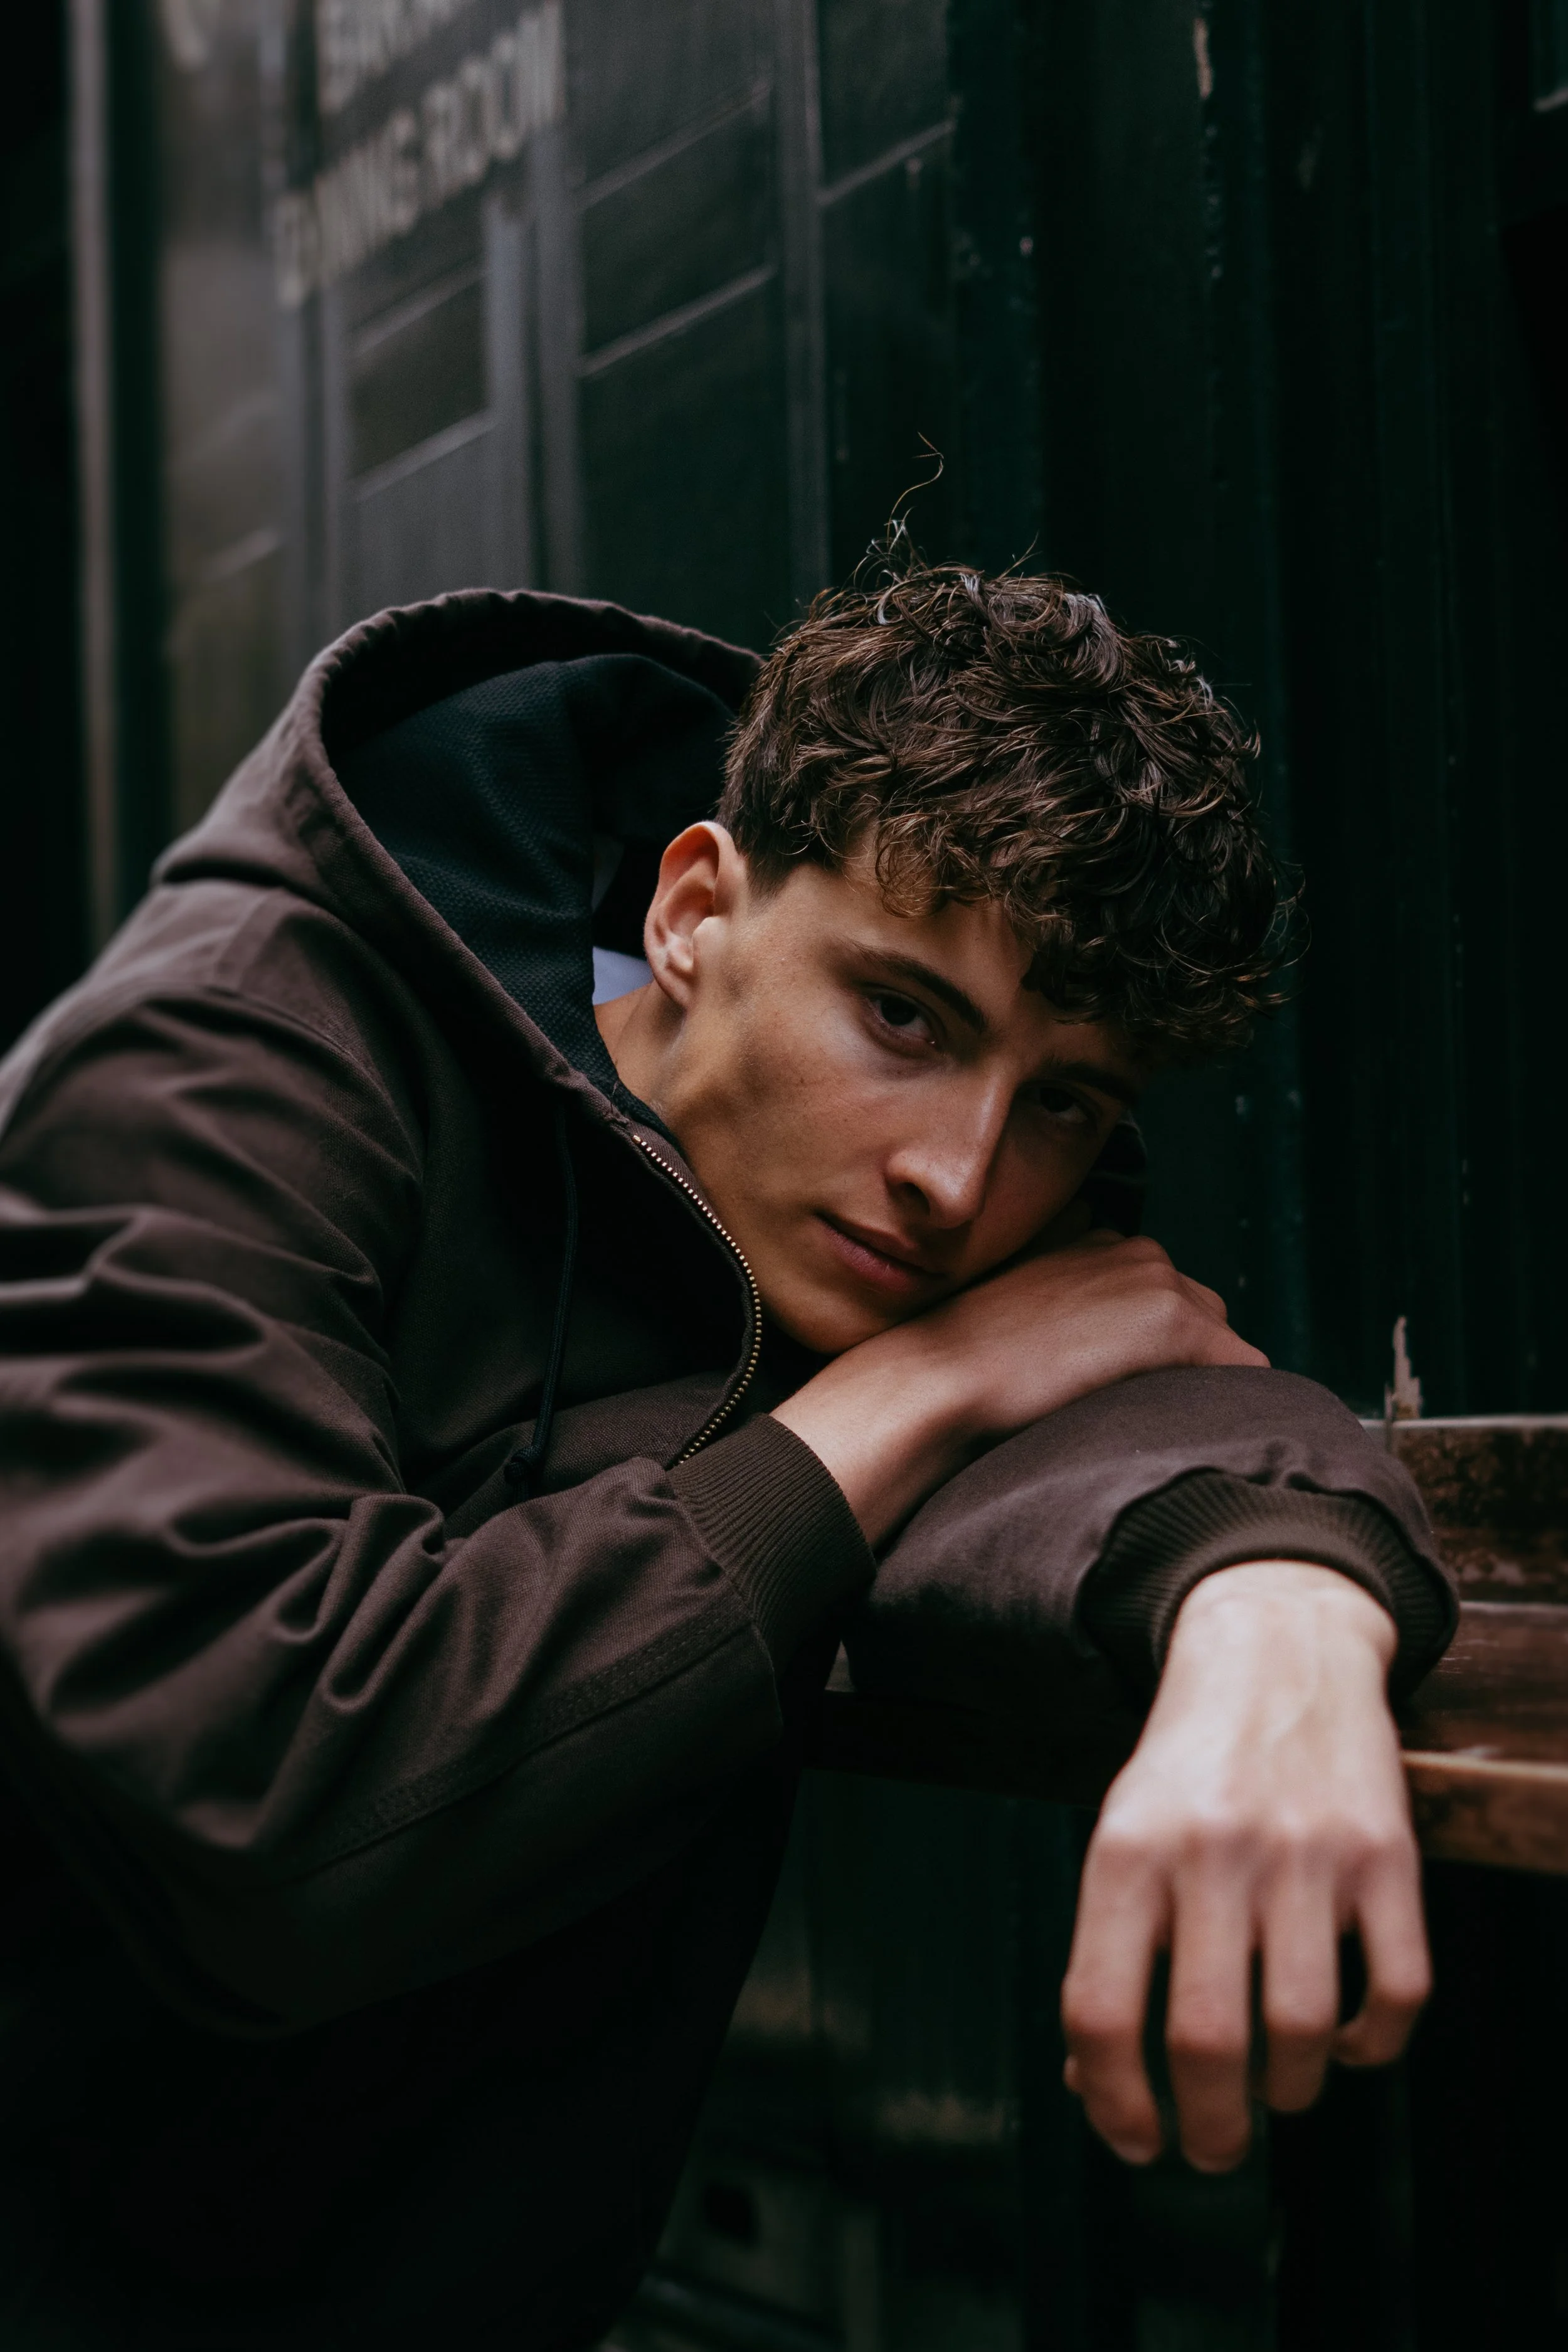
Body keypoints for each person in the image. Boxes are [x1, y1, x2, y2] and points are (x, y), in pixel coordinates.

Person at [0, 562, 1452, 2348]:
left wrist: (1282, 1606)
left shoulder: (895, 1196)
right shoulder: (228, 1057)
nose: (958, 1174)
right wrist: (903, 1397)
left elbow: (1149, 1360)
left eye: (1062, 1097)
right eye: (901, 1017)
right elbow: (280, 1799)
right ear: (694, 909)